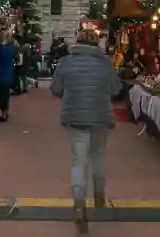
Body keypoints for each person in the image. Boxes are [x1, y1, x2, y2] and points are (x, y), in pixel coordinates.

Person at [50, 28, 122, 233]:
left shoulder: (66, 62)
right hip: (100, 117)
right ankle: (99, 196)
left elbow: (56, 89)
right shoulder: (105, 63)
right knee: (98, 157)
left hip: (75, 117)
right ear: (96, 43)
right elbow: (116, 89)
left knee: (78, 161)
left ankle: (79, 204)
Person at [0, 30, 18, 122]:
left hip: (2, 75)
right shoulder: (11, 48)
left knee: (2, 95)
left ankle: (3, 115)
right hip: (7, 75)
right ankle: (4, 113)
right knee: (4, 95)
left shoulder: (2, 48)